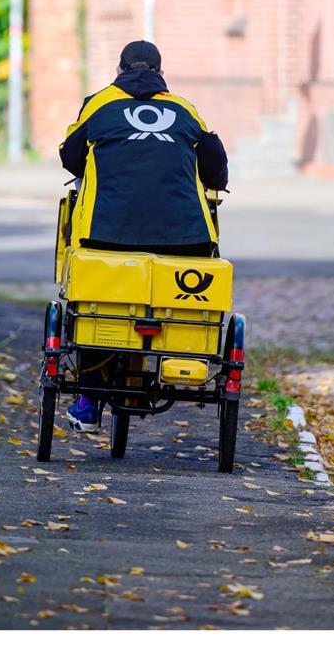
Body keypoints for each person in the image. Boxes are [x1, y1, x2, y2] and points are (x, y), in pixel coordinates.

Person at [58, 40, 229, 432]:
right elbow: (216, 164)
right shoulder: (184, 109)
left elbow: (69, 157)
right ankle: (184, 363)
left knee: (93, 303)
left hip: (106, 234)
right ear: (161, 73)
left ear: (118, 71)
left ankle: (88, 402)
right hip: (187, 239)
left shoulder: (98, 104)